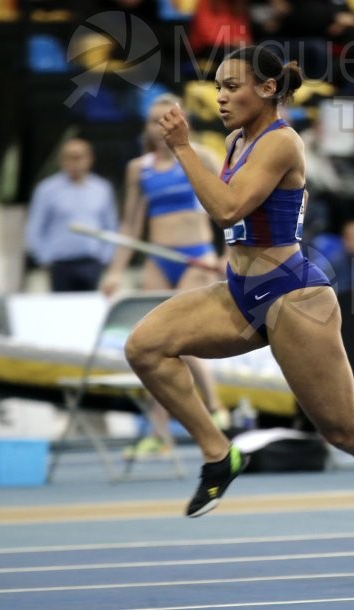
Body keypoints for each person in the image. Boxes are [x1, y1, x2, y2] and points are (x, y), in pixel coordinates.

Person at [128, 45, 354, 583]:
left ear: (265, 89)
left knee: (345, 429)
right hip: (240, 292)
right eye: (215, 87)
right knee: (144, 347)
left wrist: (184, 148)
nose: (220, 97)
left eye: (231, 86)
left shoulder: (281, 142)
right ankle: (219, 454)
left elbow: (229, 207)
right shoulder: (237, 140)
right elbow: (233, 213)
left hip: (292, 298)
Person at [100, 94, 230, 457]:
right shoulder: (138, 168)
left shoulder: (200, 156)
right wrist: (115, 272)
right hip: (159, 260)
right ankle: (159, 434)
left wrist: (227, 254)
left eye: (167, 118)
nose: (161, 127)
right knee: (154, 345)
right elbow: (130, 225)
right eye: (154, 120)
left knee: (181, 341)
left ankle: (216, 408)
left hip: (196, 259)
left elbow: (232, 204)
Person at [25, 138, 117, 292]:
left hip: (92, 263)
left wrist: (105, 257)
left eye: (79, 156)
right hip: (60, 264)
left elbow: (111, 226)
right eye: (70, 157)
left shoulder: (102, 189)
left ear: (89, 159)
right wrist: (44, 258)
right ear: (62, 160)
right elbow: (35, 228)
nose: (75, 162)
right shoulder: (46, 190)